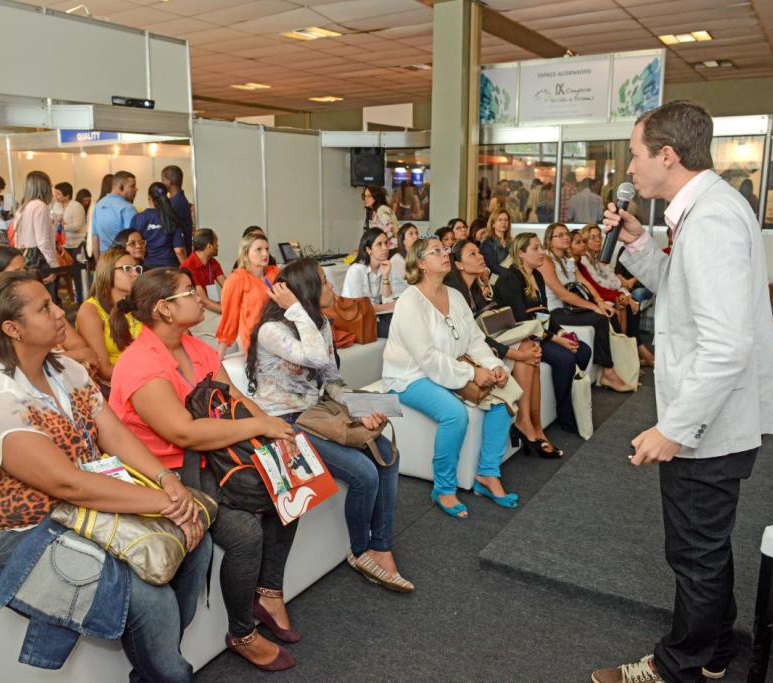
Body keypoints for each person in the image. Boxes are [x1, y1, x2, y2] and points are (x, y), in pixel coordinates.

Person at [592, 101, 773, 683]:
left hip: (706, 426)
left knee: (695, 552)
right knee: (705, 547)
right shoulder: (703, 212)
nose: (630, 167)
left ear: (667, 155)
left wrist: (674, 428)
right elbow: (680, 293)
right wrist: (639, 245)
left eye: (635, 153)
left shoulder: (712, 219)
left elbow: (726, 345)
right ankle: (717, 646)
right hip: (710, 418)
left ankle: (684, 664)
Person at [0, 270, 211, 683]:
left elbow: (114, 434)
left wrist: (167, 480)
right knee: (149, 596)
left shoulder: (65, 371)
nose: (60, 312)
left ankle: (155, 663)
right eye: (45, 307)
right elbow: (67, 483)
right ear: (12, 329)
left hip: (77, 512)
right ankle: (168, 671)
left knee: (196, 539)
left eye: (53, 302)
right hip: (14, 534)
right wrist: (168, 503)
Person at [107, 268, 299, 672]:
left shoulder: (195, 347)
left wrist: (274, 434)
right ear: (164, 309)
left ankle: (268, 591)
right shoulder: (140, 364)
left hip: (214, 458)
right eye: (190, 293)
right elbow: (185, 433)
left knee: (288, 490)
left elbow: (231, 397)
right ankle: (242, 632)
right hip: (169, 473)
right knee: (245, 533)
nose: (200, 297)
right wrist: (260, 426)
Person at [246, 258, 411, 592]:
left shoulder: (317, 323)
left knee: (387, 453)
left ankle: (381, 545)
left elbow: (331, 379)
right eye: (323, 281)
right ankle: (360, 551)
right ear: (305, 290)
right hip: (285, 423)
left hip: (318, 411)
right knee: (364, 474)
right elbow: (317, 359)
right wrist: (296, 310)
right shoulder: (271, 330)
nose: (332, 286)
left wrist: (360, 408)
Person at [382, 237, 518, 519]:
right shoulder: (409, 301)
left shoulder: (454, 296)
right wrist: (472, 373)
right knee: (455, 415)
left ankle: (487, 474)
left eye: (445, 250)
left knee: (504, 398)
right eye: (436, 251)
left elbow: (475, 341)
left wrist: (493, 366)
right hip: (409, 377)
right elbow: (427, 359)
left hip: (450, 368)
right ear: (420, 263)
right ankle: (443, 488)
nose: (445, 254)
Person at [447, 239, 567, 456]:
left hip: (486, 344)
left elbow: (492, 324)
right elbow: (476, 338)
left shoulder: (475, 287)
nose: (481, 256)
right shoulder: (454, 293)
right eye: (472, 254)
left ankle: (533, 424)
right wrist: (516, 354)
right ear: (459, 265)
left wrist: (485, 288)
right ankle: (526, 424)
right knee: (527, 352)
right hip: (466, 353)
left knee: (530, 347)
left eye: (479, 252)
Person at [491, 233, 595, 437]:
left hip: (539, 331)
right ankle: (565, 415)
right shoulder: (510, 279)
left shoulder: (536, 275)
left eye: (541, 248)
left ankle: (570, 402)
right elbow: (522, 320)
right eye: (536, 249)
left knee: (583, 350)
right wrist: (555, 339)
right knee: (565, 358)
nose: (541, 253)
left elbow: (543, 313)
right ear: (521, 253)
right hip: (521, 337)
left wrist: (561, 332)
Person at [0, 245, 98, 369]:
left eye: (24, 269)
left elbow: (83, 350)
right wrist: (63, 358)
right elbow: (18, 366)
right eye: (16, 272)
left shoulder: (44, 307)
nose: (24, 276)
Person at [539, 223, 633, 392]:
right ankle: (608, 372)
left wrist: (599, 302)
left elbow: (585, 282)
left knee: (609, 312)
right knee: (600, 317)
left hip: (569, 308)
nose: (566, 237)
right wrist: (594, 307)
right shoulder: (546, 259)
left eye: (566, 234)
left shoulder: (567, 259)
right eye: (559, 235)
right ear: (549, 241)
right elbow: (562, 294)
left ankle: (622, 361)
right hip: (554, 311)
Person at [577, 225, 656, 366]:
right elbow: (596, 287)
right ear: (584, 241)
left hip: (610, 295)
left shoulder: (599, 259)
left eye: (599, 237)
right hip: (593, 299)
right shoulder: (583, 261)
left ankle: (629, 353)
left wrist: (624, 295)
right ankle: (632, 352)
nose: (598, 241)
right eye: (592, 238)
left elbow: (612, 282)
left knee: (630, 302)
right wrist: (619, 296)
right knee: (624, 304)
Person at [75, 248, 142, 384]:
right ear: (108, 272)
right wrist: (148, 371)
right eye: (127, 269)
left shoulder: (138, 302)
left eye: (137, 269)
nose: (135, 274)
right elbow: (104, 370)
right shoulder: (90, 310)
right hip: (118, 383)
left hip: (148, 374)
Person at [216, 232, 279, 358]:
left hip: (282, 338)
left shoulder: (275, 272)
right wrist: (219, 358)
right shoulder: (237, 279)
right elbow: (229, 317)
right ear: (246, 253)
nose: (265, 254)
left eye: (267, 249)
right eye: (259, 250)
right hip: (257, 345)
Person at [341, 228, 395, 338]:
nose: (385, 248)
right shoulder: (356, 271)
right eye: (379, 244)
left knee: (407, 321)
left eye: (386, 243)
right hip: (357, 319)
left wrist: (385, 276)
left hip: (377, 315)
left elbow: (388, 299)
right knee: (398, 330)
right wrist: (388, 306)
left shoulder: (385, 266)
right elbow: (358, 308)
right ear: (368, 250)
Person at [130, 182, 189, 268]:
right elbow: (179, 250)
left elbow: (132, 245)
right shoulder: (172, 218)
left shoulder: (137, 218)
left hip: (147, 268)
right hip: (170, 268)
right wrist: (186, 270)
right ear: (166, 196)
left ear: (149, 198)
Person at [13, 170, 59, 271]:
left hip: (25, 256)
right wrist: (53, 264)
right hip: (39, 260)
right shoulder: (40, 206)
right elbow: (42, 241)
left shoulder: (22, 208)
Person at [92, 170, 138, 254]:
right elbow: (134, 240)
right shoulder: (127, 208)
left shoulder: (99, 205)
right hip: (123, 260)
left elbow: (95, 237)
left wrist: (98, 263)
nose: (136, 189)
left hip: (105, 259)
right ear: (121, 187)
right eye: (132, 186)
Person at [181, 228, 225, 313]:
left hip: (212, 308)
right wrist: (229, 312)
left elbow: (227, 286)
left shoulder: (213, 262)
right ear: (209, 246)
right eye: (216, 242)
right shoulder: (187, 266)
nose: (218, 245)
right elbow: (203, 301)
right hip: (197, 311)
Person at [52, 181, 87, 259]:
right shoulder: (56, 205)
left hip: (76, 244)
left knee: (77, 269)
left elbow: (77, 226)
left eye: (58, 194)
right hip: (62, 244)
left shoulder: (77, 206)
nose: (55, 196)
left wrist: (63, 225)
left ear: (67, 196)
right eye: (55, 193)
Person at [161, 164, 193, 243]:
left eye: (163, 180)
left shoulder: (176, 203)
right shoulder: (177, 200)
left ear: (169, 182)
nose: (162, 183)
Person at [389, 223, 420, 298]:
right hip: (397, 300)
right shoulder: (397, 259)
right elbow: (413, 283)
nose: (416, 236)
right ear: (403, 240)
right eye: (411, 234)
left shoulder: (418, 257)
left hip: (413, 297)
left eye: (416, 233)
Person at [480, 208, 513, 275]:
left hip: (511, 278)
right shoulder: (487, 243)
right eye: (500, 220)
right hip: (495, 280)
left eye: (506, 220)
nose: (503, 222)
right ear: (493, 224)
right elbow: (493, 266)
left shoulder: (511, 242)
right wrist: (512, 274)